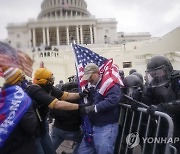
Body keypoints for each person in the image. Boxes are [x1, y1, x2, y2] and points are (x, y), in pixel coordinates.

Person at [26, 67, 88, 154]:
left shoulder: (48, 87)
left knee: (50, 150)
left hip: (42, 124)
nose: (52, 80)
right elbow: (57, 104)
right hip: (32, 127)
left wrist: (80, 94)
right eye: (50, 79)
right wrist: (81, 106)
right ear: (43, 80)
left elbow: (65, 95)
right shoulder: (34, 90)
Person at [78, 63, 122, 154]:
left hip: (106, 125)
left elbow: (113, 99)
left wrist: (93, 108)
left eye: (90, 77)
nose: (89, 80)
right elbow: (96, 100)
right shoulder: (95, 86)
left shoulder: (109, 83)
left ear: (97, 73)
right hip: (94, 125)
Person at [146, 56, 180, 153]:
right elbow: (147, 100)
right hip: (164, 122)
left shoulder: (177, 80)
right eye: (153, 73)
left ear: (167, 69)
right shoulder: (152, 83)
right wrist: (137, 98)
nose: (156, 75)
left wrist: (163, 107)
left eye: (158, 72)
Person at [0, 67, 38, 154]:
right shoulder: (22, 99)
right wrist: (32, 107)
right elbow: (31, 127)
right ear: (17, 81)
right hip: (20, 146)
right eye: (23, 79)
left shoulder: (3, 95)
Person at [50, 81, 83, 154]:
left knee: (50, 148)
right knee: (84, 142)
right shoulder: (81, 98)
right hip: (73, 130)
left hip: (57, 128)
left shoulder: (59, 98)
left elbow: (52, 113)